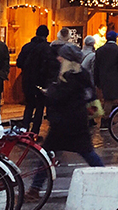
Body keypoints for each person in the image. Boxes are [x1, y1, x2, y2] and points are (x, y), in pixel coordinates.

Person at [40, 43, 104, 171]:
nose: (58, 58)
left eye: (61, 56)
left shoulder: (67, 77)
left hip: (64, 123)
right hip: (78, 121)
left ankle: (35, 187)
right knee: (87, 153)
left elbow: (60, 96)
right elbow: (89, 94)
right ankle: (105, 174)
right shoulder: (82, 74)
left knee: (46, 156)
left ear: (67, 59)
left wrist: (49, 91)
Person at [93, 31, 118, 128]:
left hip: (103, 78)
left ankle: (108, 119)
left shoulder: (99, 50)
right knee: (109, 101)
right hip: (115, 79)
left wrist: (96, 80)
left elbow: (96, 67)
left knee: (108, 99)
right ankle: (105, 120)